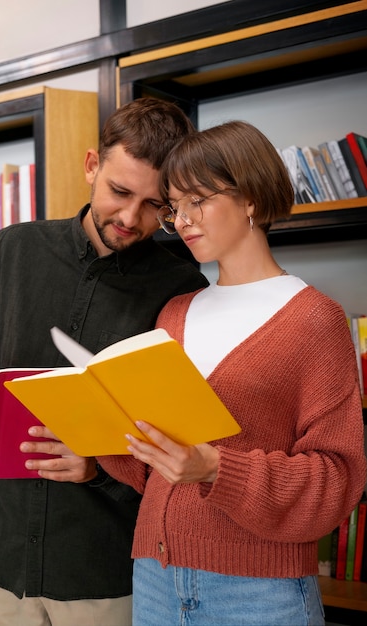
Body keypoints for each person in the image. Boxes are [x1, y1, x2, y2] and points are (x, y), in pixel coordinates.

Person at [0, 97, 209, 626]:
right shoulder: (15, 249)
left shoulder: (182, 288)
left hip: (103, 572)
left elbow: (185, 444)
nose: (131, 218)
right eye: (119, 192)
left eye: (155, 205)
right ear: (92, 165)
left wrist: (98, 471)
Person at [97, 120, 367, 626]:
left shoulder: (314, 319)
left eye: (199, 199)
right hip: (155, 576)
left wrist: (215, 468)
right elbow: (152, 468)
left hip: (258, 591)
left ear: (251, 199)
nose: (184, 219)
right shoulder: (174, 312)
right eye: (176, 206)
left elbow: (337, 479)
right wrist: (92, 429)